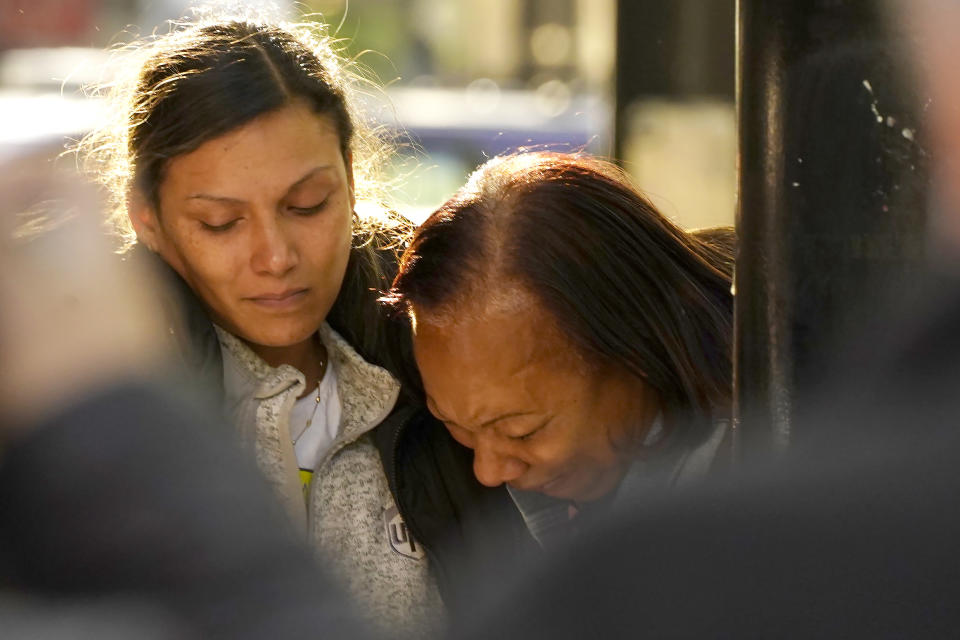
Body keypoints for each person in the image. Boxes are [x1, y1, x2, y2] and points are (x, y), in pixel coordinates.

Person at [77, 14, 533, 634]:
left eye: (307, 206)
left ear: (350, 176)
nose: (276, 257)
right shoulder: (95, 402)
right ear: (147, 218)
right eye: (220, 222)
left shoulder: (438, 333)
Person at [385, 151, 735, 547]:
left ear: (637, 349)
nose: (488, 471)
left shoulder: (766, 480)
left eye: (522, 431)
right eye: (457, 427)